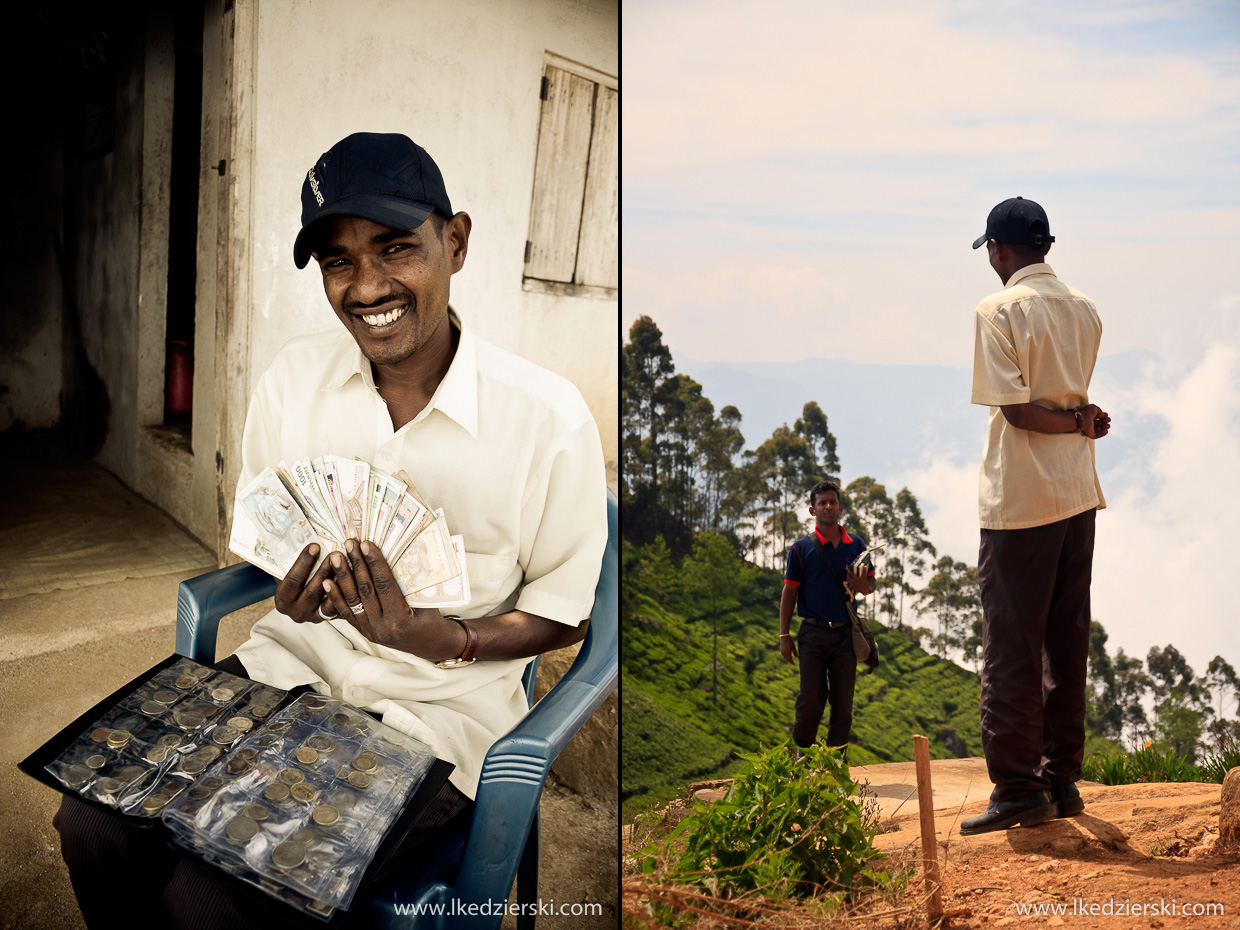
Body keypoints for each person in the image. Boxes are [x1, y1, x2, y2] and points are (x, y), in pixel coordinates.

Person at [54, 131, 608, 928]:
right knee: (92, 823)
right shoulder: (292, 382)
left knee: (207, 901)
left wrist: (437, 636)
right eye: (338, 261)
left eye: (396, 248)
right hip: (287, 674)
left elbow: (565, 614)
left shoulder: (547, 420)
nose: (367, 285)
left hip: (435, 721)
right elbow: (265, 538)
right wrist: (291, 589)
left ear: (454, 242)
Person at [959, 196, 1110, 836]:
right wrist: (1081, 421)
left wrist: (1074, 420)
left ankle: (1018, 788)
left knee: (1011, 645)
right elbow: (1075, 399)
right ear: (1045, 246)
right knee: (1064, 637)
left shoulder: (997, 311)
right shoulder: (1085, 309)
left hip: (1022, 500)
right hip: (1077, 494)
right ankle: (1061, 779)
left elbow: (1018, 412)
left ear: (999, 251)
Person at [779, 480, 876, 757]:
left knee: (843, 705)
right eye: (822, 502)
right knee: (810, 702)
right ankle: (802, 755)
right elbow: (790, 591)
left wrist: (862, 588)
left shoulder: (856, 545)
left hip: (845, 635)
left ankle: (835, 764)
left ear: (840, 508)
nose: (828, 506)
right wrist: (784, 636)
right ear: (813, 510)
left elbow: (871, 584)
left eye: (833, 502)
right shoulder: (801, 549)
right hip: (812, 634)